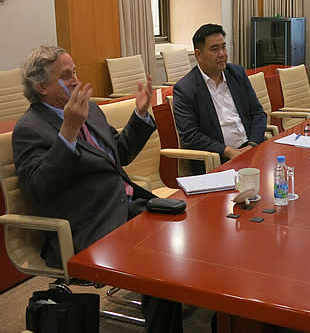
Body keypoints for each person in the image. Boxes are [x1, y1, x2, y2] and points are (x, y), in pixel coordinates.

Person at [12, 46, 183, 333]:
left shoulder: (89, 110)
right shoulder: (30, 128)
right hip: (90, 224)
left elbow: (120, 154)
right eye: (66, 76)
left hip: (127, 205)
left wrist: (140, 114)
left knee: (189, 232)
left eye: (75, 72)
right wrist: (68, 131)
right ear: (41, 86)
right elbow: (39, 188)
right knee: (160, 261)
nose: (76, 81)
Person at [173, 23, 266, 175]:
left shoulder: (236, 73)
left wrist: (252, 146)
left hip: (251, 149)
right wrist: (228, 151)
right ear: (198, 55)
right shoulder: (185, 89)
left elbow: (258, 113)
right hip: (217, 160)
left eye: (223, 47)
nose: (222, 54)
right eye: (215, 49)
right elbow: (190, 137)